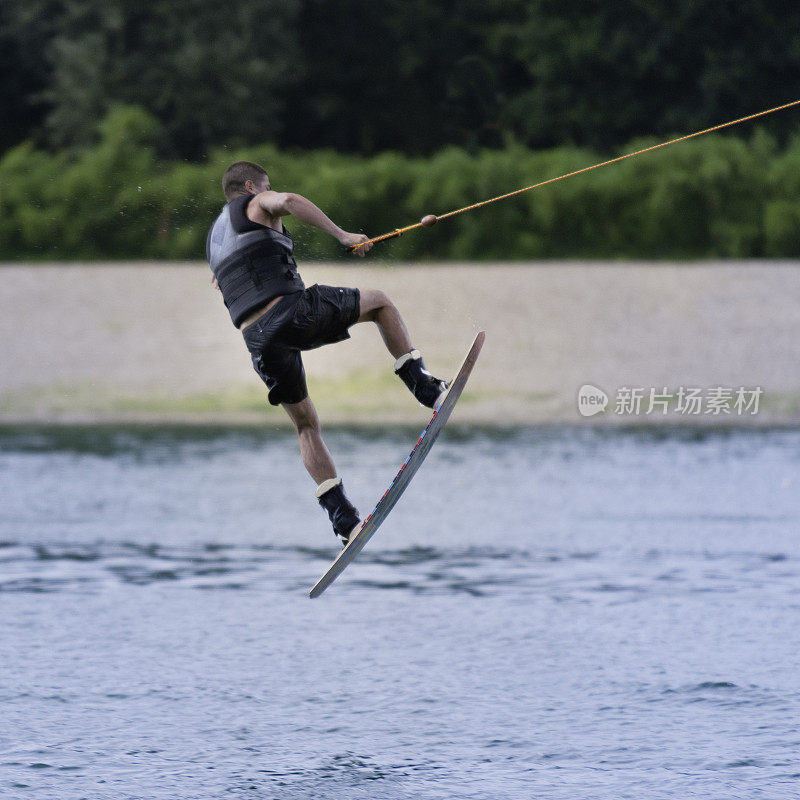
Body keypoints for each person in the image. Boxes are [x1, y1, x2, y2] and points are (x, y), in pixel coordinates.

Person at [206, 161, 448, 545]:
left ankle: (343, 520)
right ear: (251, 186)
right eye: (265, 186)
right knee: (380, 303)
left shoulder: (215, 238)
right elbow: (288, 200)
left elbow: (223, 282)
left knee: (305, 424)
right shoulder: (258, 201)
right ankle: (426, 389)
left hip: (256, 341)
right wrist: (343, 235)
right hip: (289, 313)